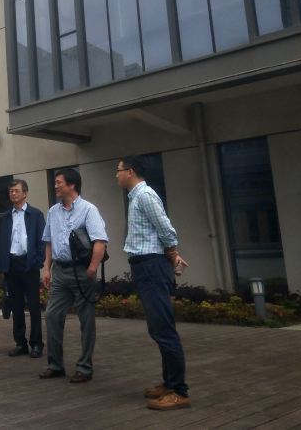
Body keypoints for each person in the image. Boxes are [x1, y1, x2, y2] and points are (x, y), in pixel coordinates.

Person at [115, 156, 191, 411]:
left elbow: (166, 228)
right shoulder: (136, 197)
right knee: (157, 327)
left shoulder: (145, 195)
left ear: (130, 172)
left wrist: (172, 253)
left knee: (163, 328)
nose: (116, 175)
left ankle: (179, 391)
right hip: (144, 266)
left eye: (119, 170)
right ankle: (169, 383)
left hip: (152, 266)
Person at [39, 168, 108, 384]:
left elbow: (100, 241)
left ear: (72, 185)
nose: (55, 186)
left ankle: (84, 367)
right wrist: (47, 268)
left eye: (59, 182)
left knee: (86, 319)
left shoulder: (89, 210)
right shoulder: (53, 212)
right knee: (52, 315)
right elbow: (49, 242)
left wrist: (92, 268)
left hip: (82, 270)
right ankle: (55, 365)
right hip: (60, 271)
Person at [0, 179, 46, 358]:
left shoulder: (36, 214)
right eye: (11, 191)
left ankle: (36, 344)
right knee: (16, 306)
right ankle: (20, 343)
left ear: (25, 193)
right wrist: (4, 265)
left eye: (16, 191)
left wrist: (38, 261)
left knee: (33, 306)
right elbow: (2, 242)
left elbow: (42, 240)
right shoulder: (6, 217)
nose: (13, 194)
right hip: (12, 265)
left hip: (29, 264)